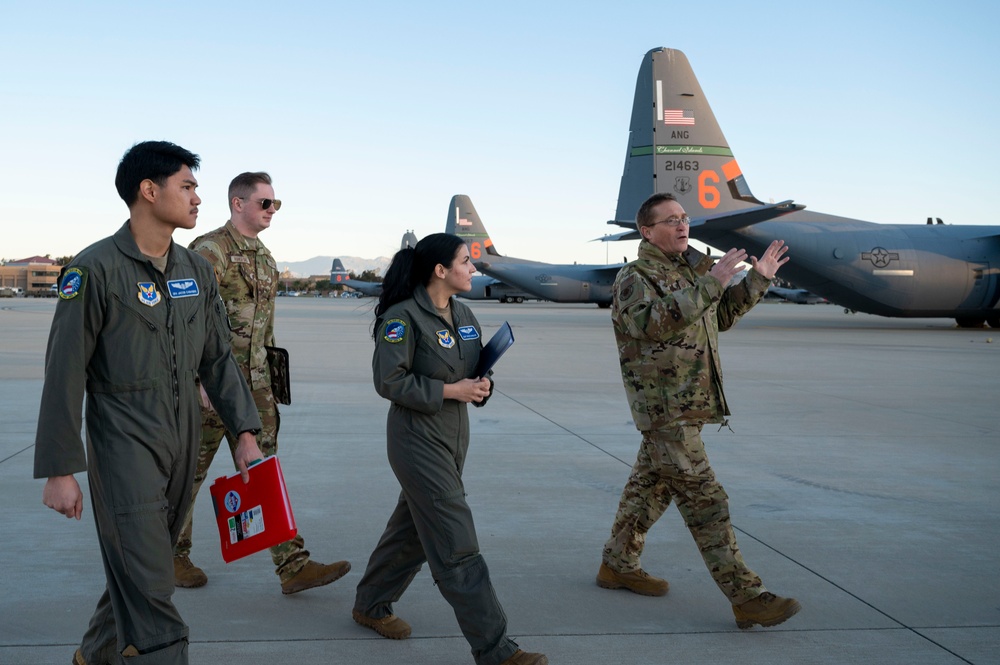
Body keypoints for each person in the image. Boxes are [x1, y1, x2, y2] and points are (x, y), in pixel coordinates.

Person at [34, 141, 264, 665]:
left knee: (140, 568)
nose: (198, 197)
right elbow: (63, 373)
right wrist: (61, 468)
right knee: (154, 583)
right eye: (187, 185)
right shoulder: (93, 270)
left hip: (183, 440)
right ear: (149, 190)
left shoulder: (196, 272)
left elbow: (218, 361)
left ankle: (94, 655)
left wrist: (244, 435)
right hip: (124, 444)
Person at [597, 192, 802, 629]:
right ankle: (747, 596)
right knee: (706, 501)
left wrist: (756, 280)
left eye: (685, 217)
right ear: (647, 231)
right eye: (670, 220)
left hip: (689, 405)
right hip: (664, 408)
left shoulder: (690, 272)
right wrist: (710, 284)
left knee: (650, 489)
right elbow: (651, 324)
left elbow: (720, 317)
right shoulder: (636, 276)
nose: (682, 224)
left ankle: (617, 564)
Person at [352, 233, 547, 665]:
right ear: (440, 271)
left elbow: (472, 371)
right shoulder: (403, 319)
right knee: (455, 542)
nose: (473, 269)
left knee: (413, 531)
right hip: (415, 440)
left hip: (452, 437)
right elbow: (389, 382)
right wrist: (450, 389)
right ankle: (495, 649)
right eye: (465, 262)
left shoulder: (464, 314)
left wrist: (480, 387)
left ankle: (370, 603)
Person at [172, 171, 351, 594]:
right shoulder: (207, 251)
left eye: (275, 204)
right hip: (211, 386)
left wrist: (271, 383)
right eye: (264, 203)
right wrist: (198, 378)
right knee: (186, 476)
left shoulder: (266, 258)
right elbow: (184, 320)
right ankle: (170, 556)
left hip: (255, 388)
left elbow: (264, 329)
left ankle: (292, 566)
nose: (272, 210)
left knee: (263, 471)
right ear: (238, 203)